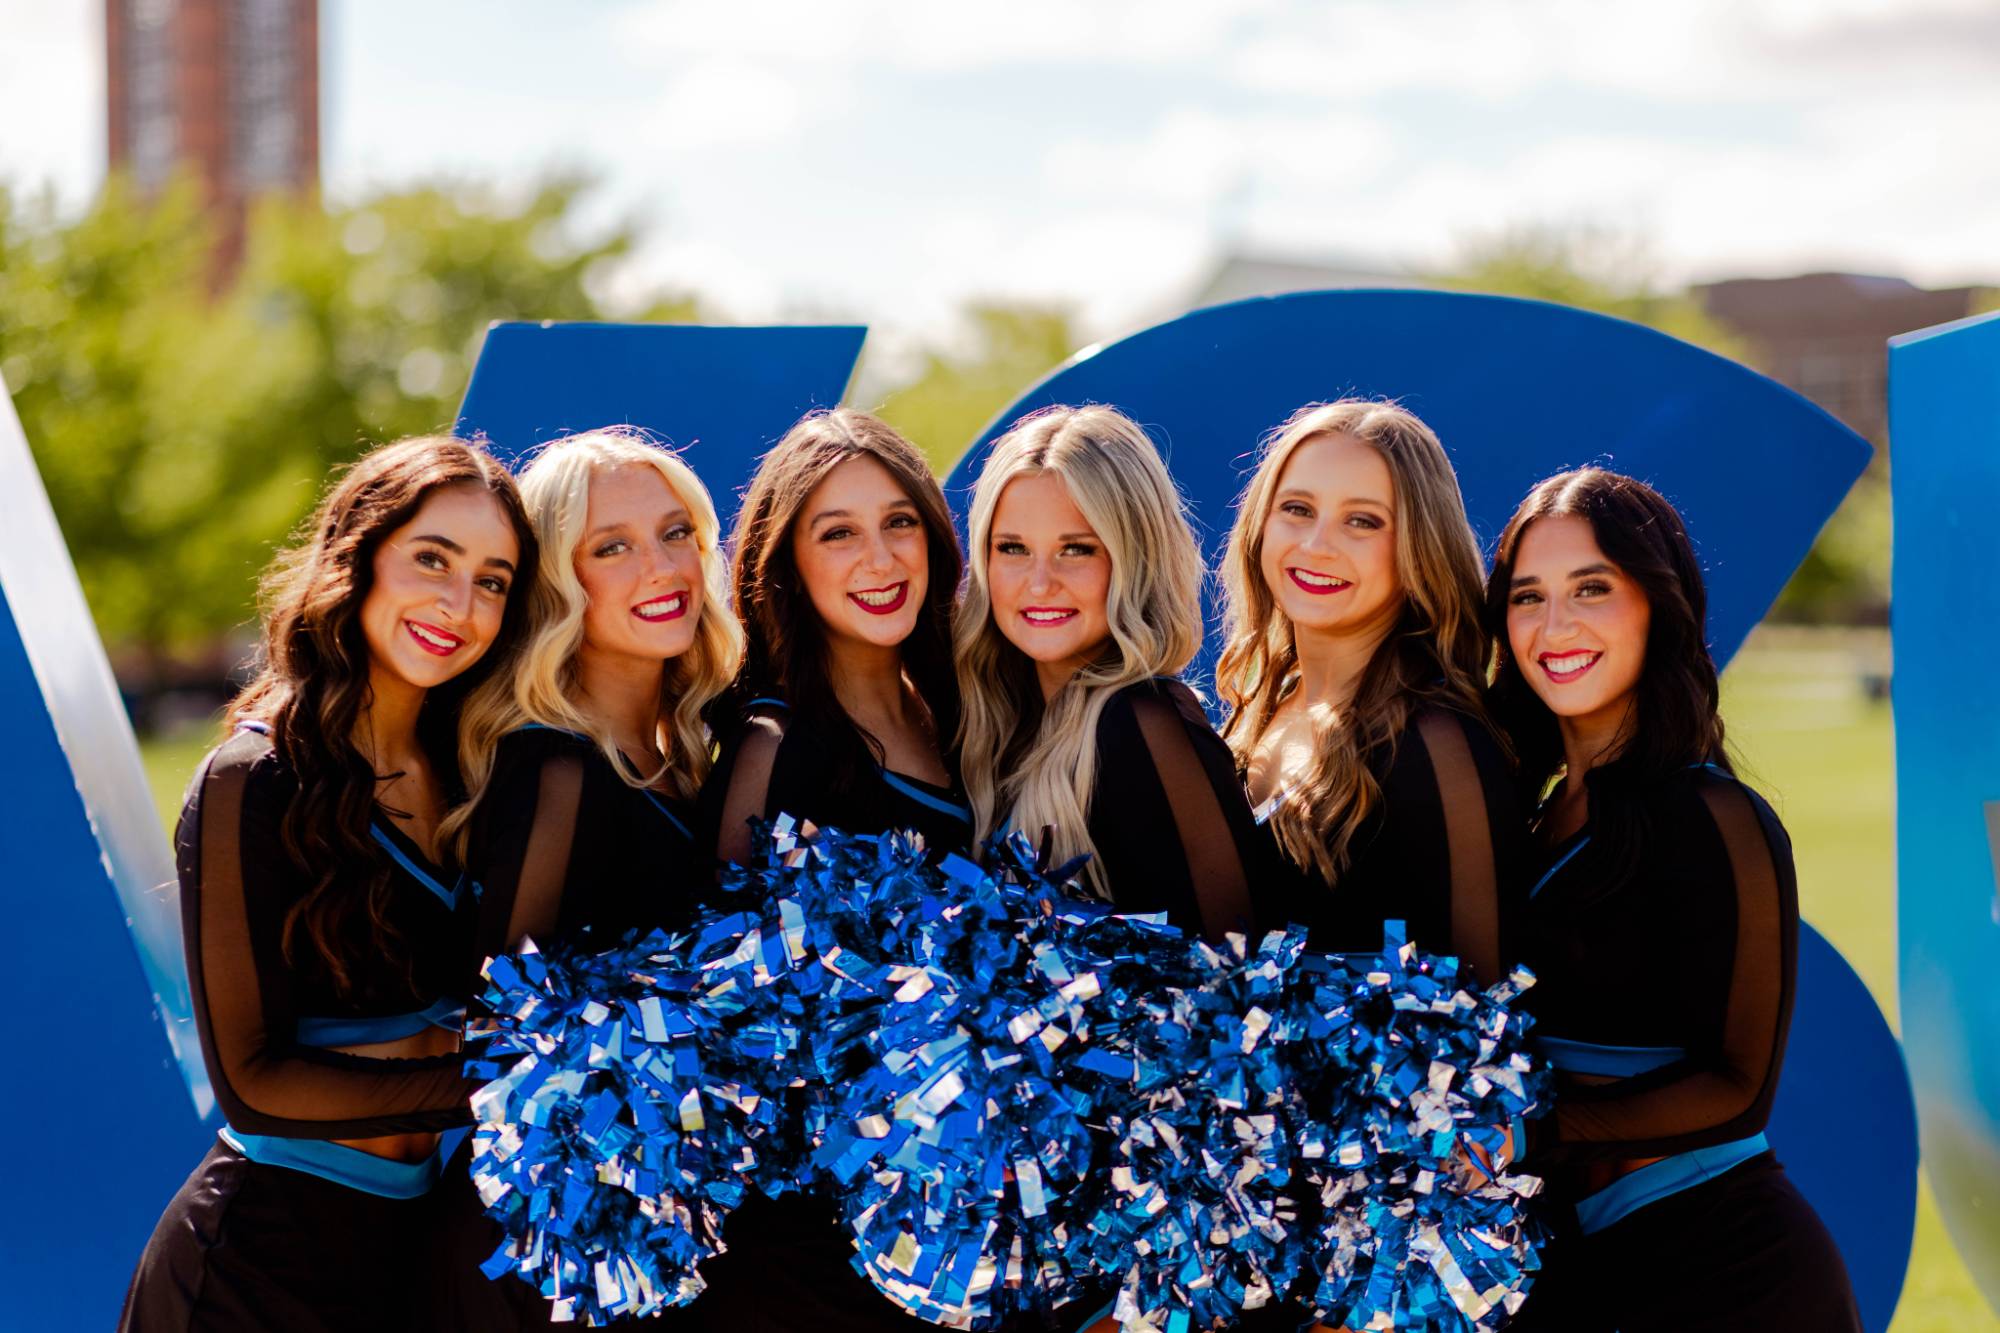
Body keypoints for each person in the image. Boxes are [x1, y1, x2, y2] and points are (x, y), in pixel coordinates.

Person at [120, 436, 536, 1332]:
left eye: (494, 580)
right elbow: (254, 1084)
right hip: (253, 1268)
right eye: (432, 558)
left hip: (406, 1255)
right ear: (360, 558)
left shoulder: (471, 774)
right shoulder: (255, 776)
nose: (459, 603)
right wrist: (519, 1074)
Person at [1487, 467, 1860, 1332]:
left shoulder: (1717, 814)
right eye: (1527, 596)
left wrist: (1524, 1133)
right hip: (1590, 1270)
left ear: (1658, 603)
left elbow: (1739, 1088)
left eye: (1592, 588)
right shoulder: (1529, 813)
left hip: (1735, 1273)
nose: (1556, 625)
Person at [432, 427, 743, 1329]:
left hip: (658, 1242)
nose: (662, 566)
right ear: (560, 585)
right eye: (613, 547)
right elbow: (504, 1037)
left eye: (676, 532)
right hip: (550, 1258)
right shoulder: (553, 767)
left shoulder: (689, 755)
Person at [690, 407, 970, 1333]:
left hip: (950, 1218)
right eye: (837, 532)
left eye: (898, 522)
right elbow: (738, 1018)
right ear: (787, 564)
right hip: (817, 1246)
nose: (879, 558)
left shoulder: (961, 717)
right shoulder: (775, 744)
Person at [1216, 398, 1522, 987]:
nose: (1316, 544)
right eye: (1297, 509)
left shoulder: (1438, 741)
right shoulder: (1255, 712)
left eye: (1363, 521)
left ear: (1419, 548)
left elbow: (1483, 1009)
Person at [955, 403, 1261, 943]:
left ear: (1132, 558)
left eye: (1076, 549)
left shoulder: (1144, 722)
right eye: (1013, 549)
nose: (1040, 582)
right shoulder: (999, 728)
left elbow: (1229, 975)